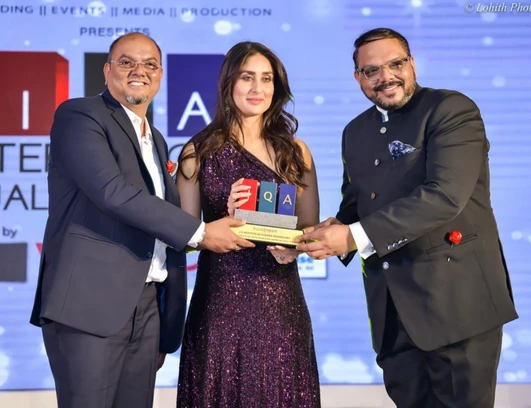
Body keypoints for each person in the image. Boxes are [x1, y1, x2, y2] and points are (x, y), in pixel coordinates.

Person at [296, 28, 518, 407]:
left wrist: (352, 236)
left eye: (396, 64)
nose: (386, 77)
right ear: (358, 77)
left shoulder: (451, 109)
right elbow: (357, 205)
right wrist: (315, 235)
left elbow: (444, 196)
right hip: (391, 313)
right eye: (372, 70)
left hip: (456, 305)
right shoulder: (355, 131)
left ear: (412, 63)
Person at [29, 32, 253, 408]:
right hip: (90, 305)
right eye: (126, 62)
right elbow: (112, 192)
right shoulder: (80, 115)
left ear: (160, 75)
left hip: (147, 308)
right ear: (107, 71)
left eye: (150, 64)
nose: (139, 71)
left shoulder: (157, 139)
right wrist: (200, 232)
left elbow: (161, 219)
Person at [175, 41, 321, 407]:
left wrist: (294, 248)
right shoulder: (198, 152)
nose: (258, 88)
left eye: (266, 79)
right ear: (229, 83)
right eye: (247, 77)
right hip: (220, 304)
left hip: (281, 304)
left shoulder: (296, 151)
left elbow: (309, 228)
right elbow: (183, 237)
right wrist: (222, 224)